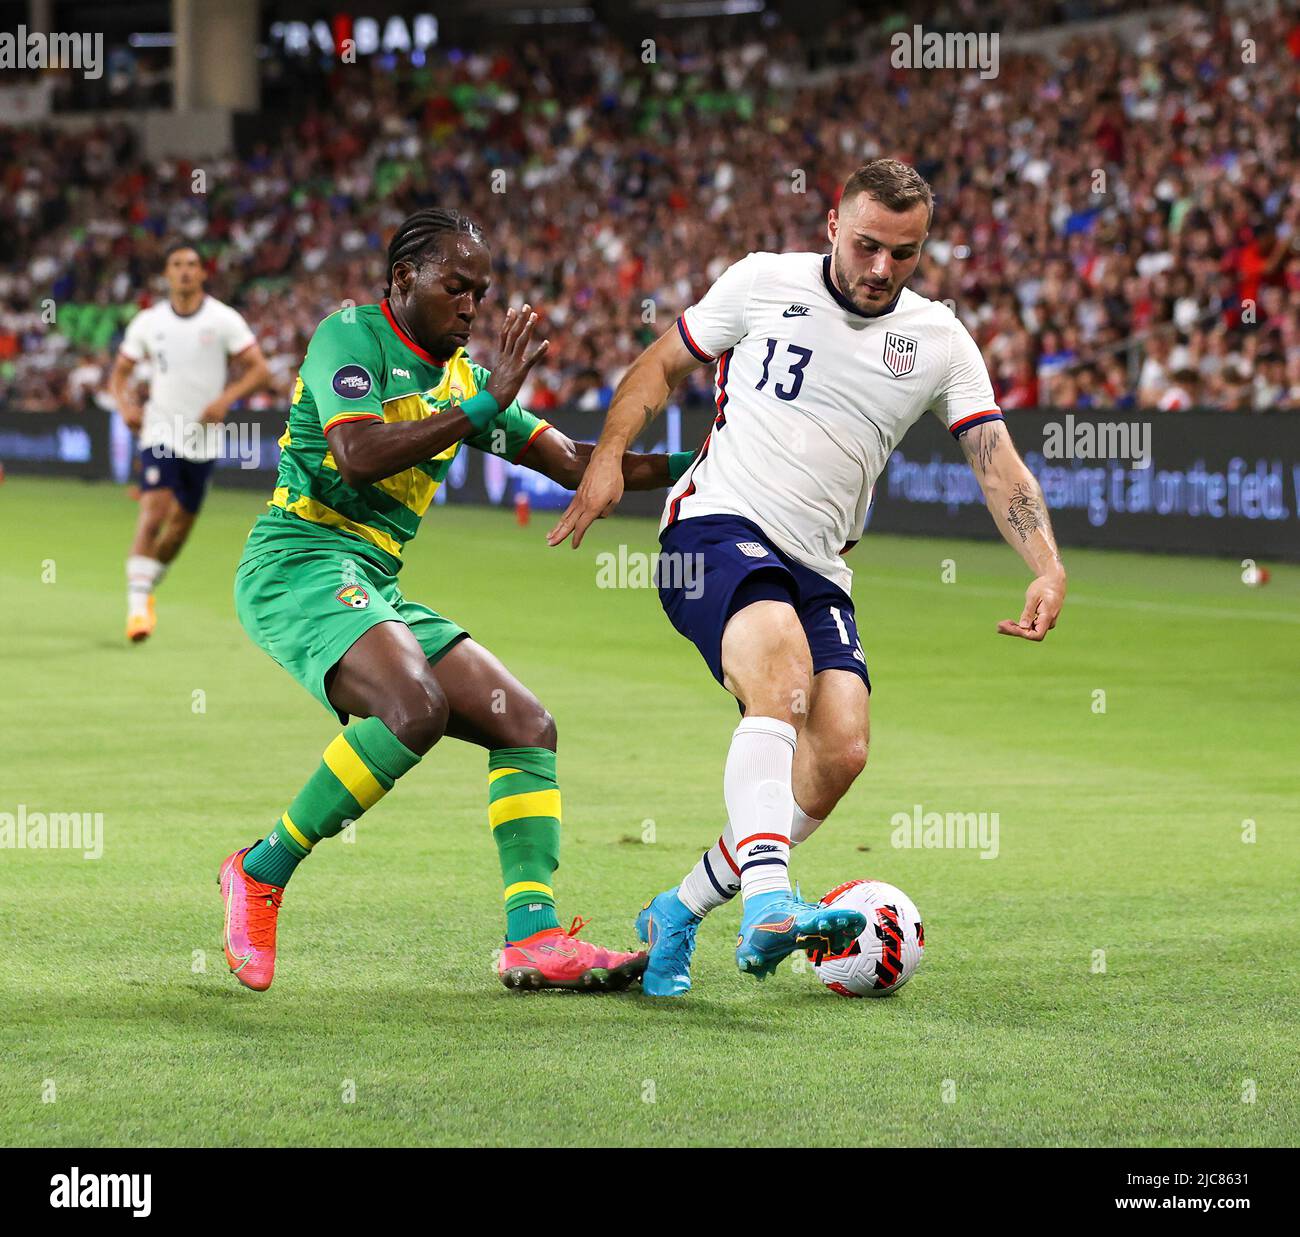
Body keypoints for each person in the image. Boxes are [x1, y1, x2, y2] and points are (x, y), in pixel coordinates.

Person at [550, 160, 1068, 996]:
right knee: (782, 675)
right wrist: (607, 454)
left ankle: (676, 910)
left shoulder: (938, 340)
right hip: (712, 526)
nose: (880, 269)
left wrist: (1046, 564)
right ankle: (768, 902)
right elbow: (658, 366)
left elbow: (993, 457)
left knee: (841, 747)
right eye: (867, 245)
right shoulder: (762, 281)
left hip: (820, 563)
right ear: (832, 224)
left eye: (904, 254)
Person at [222, 208, 697, 993]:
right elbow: (358, 453)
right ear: (404, 280)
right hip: (297, 560)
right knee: (413, 704)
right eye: (457, 287)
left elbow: (582, 463)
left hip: (371, 579)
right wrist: (480, 409)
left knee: (525, 722)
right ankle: (259, 871)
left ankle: (533, 936)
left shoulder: (471, 384)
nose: (472, 307)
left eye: (480, 292)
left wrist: (711, 459)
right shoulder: (350, 336)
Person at [108, 242, 271, 642]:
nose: (184, 271)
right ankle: (136, 610)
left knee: (177, 532)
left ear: (203, 273)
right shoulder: (148, 322)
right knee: (154, 511)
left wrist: (225, 399)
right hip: (160, 430)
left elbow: (259, 369)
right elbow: (120, 374)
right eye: (177, 264)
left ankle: (145, 588)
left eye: (192, 265)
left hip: (203, 438)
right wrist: (125, 404)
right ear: (167, 274)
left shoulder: (223, 319)